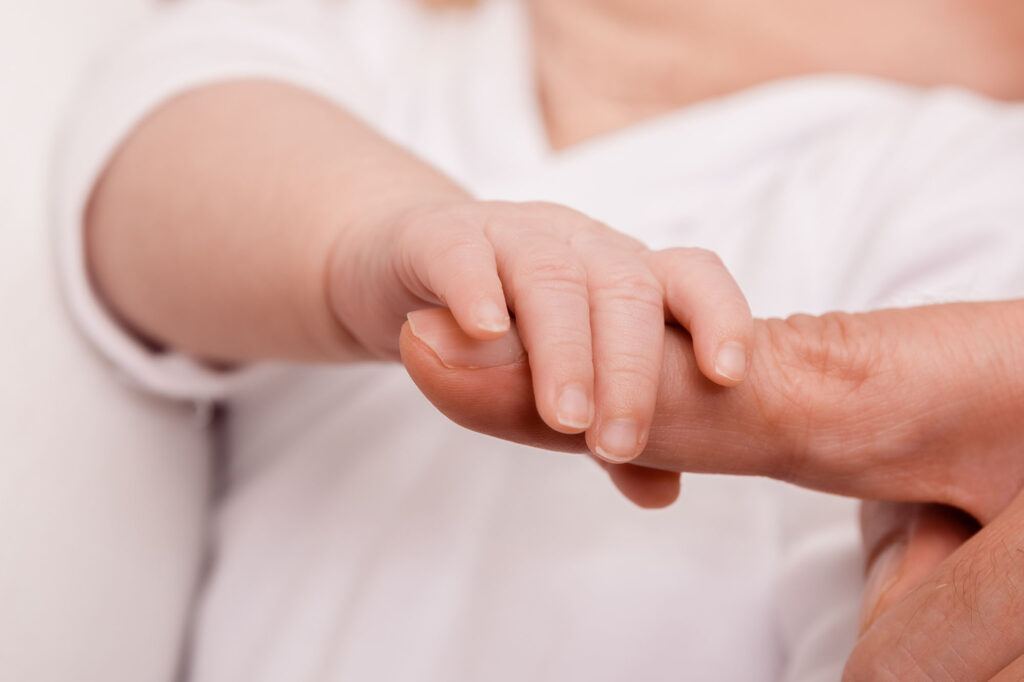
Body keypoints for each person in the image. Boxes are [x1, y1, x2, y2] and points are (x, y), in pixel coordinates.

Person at [54, 0, 1024, 678]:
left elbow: (927, 586)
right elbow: (156, 155)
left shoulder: (964, 173)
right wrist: (370, 235)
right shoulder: (369, 54)